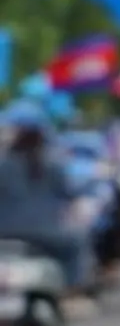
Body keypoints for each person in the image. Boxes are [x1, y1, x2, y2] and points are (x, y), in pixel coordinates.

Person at [0, 108, 86, 297]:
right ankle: (71, 292)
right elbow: (70, 196)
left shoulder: (4, 164)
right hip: (49, 236)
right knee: (78, 243)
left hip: (4, 234)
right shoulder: (53, 164)